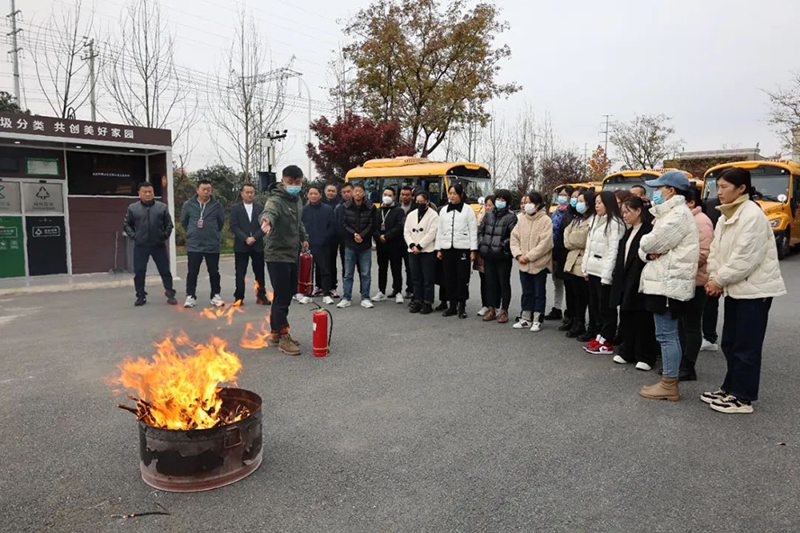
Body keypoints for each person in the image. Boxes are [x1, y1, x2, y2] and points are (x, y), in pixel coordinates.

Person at [703, 168, 786, 414]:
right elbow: (716, 251)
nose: (719, 192)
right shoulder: (726, 215)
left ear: (741, 189)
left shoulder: (753, 215)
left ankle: (743, 397)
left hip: (754, 291)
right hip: (736, 288)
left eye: (725, 187)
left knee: (746, 345)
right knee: (730, 341)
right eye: (718, 187)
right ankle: (730, 387)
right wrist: (713, 277)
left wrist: (718, 280)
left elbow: (745, 258)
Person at [637, 171, 699, 401]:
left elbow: (649, 241)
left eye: (659, 187)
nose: (656, 192)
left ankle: (669, 383)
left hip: (668, 282)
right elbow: (645, 250)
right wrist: (648, 252)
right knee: (665, 333)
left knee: (667, 334)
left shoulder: (678, 215)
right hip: (662, 280)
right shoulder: (666, 214)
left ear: (671, 190)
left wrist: (649, 248)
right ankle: (668, 381)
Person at [259, 165, 309, 356]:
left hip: (292, 253)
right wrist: (266, 221)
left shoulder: (296, 200)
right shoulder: (276, 200)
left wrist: (304, 237)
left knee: (284, 295)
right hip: (277, 255)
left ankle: (274, 332)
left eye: (297, 182)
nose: (294, 186)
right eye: (290, 182)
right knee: (283, 296)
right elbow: (269, 213)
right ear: (283, 181)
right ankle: (283, 335)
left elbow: (299, 222)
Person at [610, 196, 657, 370]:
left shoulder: (649, 230)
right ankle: (627, 350)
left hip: (641, 280)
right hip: (625, 280)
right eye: (622, 212)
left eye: (627, 211)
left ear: (638, 211)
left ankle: (645, 355)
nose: (624, 215)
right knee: (627, 316)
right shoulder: (629, 231)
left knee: (643, 318)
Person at [581, 190, 625, 354]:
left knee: (607, 307)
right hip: (592, 269)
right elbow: (589, 246)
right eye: (596, 203)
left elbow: (613, 251)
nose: (597, 206)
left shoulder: (615, 223)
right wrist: (585, 268)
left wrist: (607, 275)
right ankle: (600, 334)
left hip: (604, 273)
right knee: (595, 306)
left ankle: (607, 339)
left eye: (600, 203)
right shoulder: (594, 220)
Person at [676, 185, 713, 381]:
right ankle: (680, 362)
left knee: (691, 325)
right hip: (681, 279)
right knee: (681, 324)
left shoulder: (701, 221)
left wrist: (677, 264)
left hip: (695, 280)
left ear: (691, 202)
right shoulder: (685, 219)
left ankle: (688, 366)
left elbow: (703, 254)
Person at [123, 181, 177, 306]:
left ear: (153, 193)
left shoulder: (161, 207)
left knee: (164, 271)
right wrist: (135, 236)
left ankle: (170, 293)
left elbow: (169, 224)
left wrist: (163, 236)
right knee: (140, 271)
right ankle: (140, 296)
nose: (148, 194)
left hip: (158, 245)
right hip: (141, 246)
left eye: (150, 192)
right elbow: (127, 225)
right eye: (145, 192)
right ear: (139, 194)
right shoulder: (133, 208)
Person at [510, 192, 554, 331]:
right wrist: (518, 255)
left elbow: (545, 244)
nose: (526, 205)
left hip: (539, 264)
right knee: (526, 292)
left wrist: (529, 256)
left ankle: (537, 319)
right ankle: (525, 318)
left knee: (538, 292)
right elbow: (514, 238)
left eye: (530, 202)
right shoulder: (522, 219)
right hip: (523, 263)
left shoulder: (546, 220)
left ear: (538, 204)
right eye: (525, 202)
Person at [435, 184, 478, 318]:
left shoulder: (468, 210)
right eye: (450, 193)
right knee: (449, 278)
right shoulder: (443, 210)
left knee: (462, 278)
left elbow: (473, 230)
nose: (452, 196)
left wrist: (473, 250)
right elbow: (439, 230)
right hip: (447, 248)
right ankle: (452, 306)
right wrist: (438, 248)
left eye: (455, 193)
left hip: (463, 248)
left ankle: (462, 306)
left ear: (460, 195)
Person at [181, 179, 226, 308]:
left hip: (212, 244)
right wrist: (192, 232)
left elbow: (220, 223)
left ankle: (215, 295)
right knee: (192, 272)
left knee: (214, 271)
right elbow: (184, 222)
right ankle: (190, 296)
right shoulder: (189, 204)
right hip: (194, 244)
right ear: (197, 190)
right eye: (204, 189)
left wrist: (212, 232)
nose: (207, 192)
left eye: (209, 190)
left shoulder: (217, 205)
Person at [477, 189, 517, 323]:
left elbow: (513, 236)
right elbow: (481, 231)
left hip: (502, 256)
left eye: (503, 200)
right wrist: (483, 243)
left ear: (508, 202)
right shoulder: (489, 215)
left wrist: (501, 245)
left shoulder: (511, 217)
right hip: (488, 255)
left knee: (503, 283)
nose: (500, 202)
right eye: (498, 199)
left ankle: (504, 311)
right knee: (490, 283)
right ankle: (492, 309)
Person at [337, 183, 376, 309]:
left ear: (364, 193)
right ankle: (346, 297)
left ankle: (365, 297)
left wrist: (362, 235)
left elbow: (372, 224)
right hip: (350, 244)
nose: (358, 194)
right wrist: (354, 234)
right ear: (352, 193)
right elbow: (343, 224)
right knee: (348, 273)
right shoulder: (345, 206)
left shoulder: (371, 207)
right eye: (355, 191)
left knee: (365, 273)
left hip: (365, 244)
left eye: (360, 191)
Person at [563, 189, 595, 339]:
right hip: (572, 262)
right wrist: (571, 239)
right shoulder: (577, 219)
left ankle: (586, 325)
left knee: (585, 297)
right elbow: (566, 236)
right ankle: (577, 321)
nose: (578, 203)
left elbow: (581, 240)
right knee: (575, 296)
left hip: (583, 263)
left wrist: (571, 239)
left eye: (582, 201)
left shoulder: (593, 220)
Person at [229, 183, 268, 306]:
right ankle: (239, 297)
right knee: (240, 273)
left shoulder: (260, 208)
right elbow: (233, 226)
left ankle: (261, 296)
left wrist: (254, 238)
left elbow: (264, 226)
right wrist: (245, 238)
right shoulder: (235, 208)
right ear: (242, 194)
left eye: (252, 192)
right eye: (247, 192)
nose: (250, 194)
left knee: (260, 272)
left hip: (257, 246)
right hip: (241, 245)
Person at [302, 184, 337, 306]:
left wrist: (324, 239)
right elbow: (301, 228)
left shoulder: (327, 209)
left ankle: (326, 294)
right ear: (307, 195)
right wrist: (304, 240)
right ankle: (307, 294)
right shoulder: (304, 210)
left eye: (315, 193)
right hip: (309, 245)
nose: (313, 196)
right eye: (311, 193)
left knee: (325, 270)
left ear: (320, 195)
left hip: (324, 245)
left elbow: (332, 226)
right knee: (308, 271)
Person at [405, 190, 439, 314]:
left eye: (422, 202)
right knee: (416, 277)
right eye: (417, 201)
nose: (420, 204)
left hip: (427, 250)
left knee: (427, 278)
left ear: (427, 202)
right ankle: (417, 300)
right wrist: (412, 245)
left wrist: (420, 246)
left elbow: (432, 233)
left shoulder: (434, 215)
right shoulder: (411, 214)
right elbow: (407, 231)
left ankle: (428, 302)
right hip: (412, 250)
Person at [372, 187, 407, 304]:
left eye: (389, 195)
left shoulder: (399, 211)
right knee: (382, 269)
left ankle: (397, 291)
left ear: (394, 197)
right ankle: (381, 291)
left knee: (396, 268)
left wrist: (386, 236)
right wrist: (378, 236)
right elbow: (373, 226)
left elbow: (400, 226)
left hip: (395, 244)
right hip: (381, 245)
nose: (387, 197)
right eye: (385, 194)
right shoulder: (377, 210)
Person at [547, 186, 574, 326]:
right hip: (555, 251)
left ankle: (570, 312)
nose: (561, 197)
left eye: (565, 195)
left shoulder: (572, 213)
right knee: (557, 281)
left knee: (569, 284)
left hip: (567, 252)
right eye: (560, 195)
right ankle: (557, 308)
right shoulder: (556, 212)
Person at [701, 192, 722, 352]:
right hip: (714, 261)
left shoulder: (751, 212)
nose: (720, 191)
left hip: (714, 264)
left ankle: (709, 336)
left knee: (709, 302)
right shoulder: (714, 206)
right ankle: (709, 336)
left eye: (724, 186)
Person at [321, 182, 342, 298]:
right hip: (319, 239)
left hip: (333, 239)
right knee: (319, 264)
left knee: (331, 263)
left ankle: (332, 287)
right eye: (329, 190)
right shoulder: (320, 203)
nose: (331, 193)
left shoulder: (339, 204)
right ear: (324, 192)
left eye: (333, 191)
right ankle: (320, 286)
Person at [475, 195, 494, 317]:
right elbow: (478, 233)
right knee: (483, 280)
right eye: (486, 205)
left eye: (490, 205)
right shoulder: (480, 217)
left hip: (493, 253)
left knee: (493, 281)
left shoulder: (498, 218)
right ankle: (485, 305)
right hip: (481, 252)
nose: (487, 207)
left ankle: (494, 305)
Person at [399, 185, 415, 299]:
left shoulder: (414, 208)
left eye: (407, 195)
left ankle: (410, 289)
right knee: (396, 267)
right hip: (397, 242)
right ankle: (397, 289)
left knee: (410, 268)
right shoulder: (396, 207)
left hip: (411, 242)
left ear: (412, 196)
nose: (405, 197)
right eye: (403, 194)